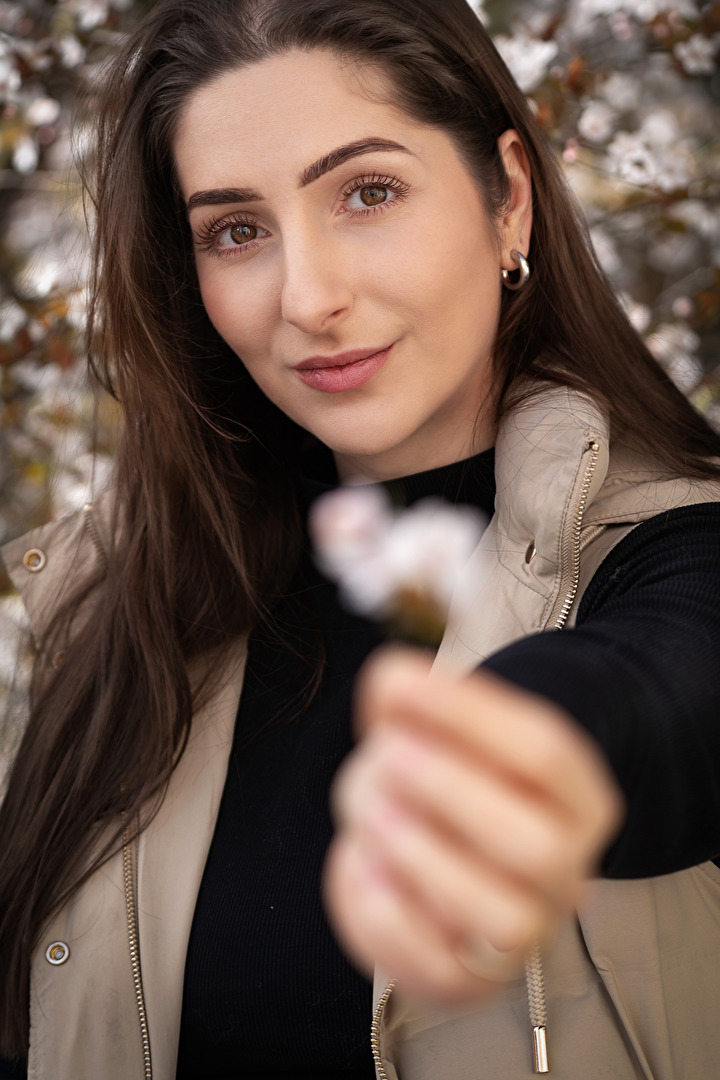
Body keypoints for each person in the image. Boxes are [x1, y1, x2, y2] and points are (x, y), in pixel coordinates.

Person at [1, 0, 720, 1077]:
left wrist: (519, 749)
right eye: (236, 230)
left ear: (508, 198)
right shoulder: (107, 614)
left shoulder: (674, 555)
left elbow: (676, 683)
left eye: (368, 192)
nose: (309, 296)